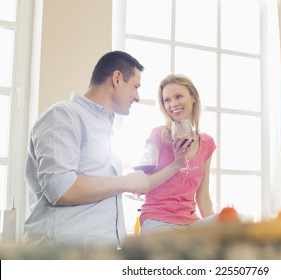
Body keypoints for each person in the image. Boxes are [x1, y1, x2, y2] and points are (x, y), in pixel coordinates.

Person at [23, 51, 188, 248]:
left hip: (99, 253)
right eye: (135, 86)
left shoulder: (106, 128)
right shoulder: (62, 116)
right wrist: (126, 182)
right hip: (63, 254)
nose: (137, 97)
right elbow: (61, 189)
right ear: (117, 78)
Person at [139, 74, 217, 233]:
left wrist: (216, 231)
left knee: (238, 220)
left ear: (193, 98)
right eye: (167, 100)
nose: (173, 104)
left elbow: (203, 197)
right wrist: (176, 164)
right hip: (157, 219)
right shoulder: (158, 135)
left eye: (178, 96)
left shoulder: (207, 143)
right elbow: (142, 186)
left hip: (190, 223)